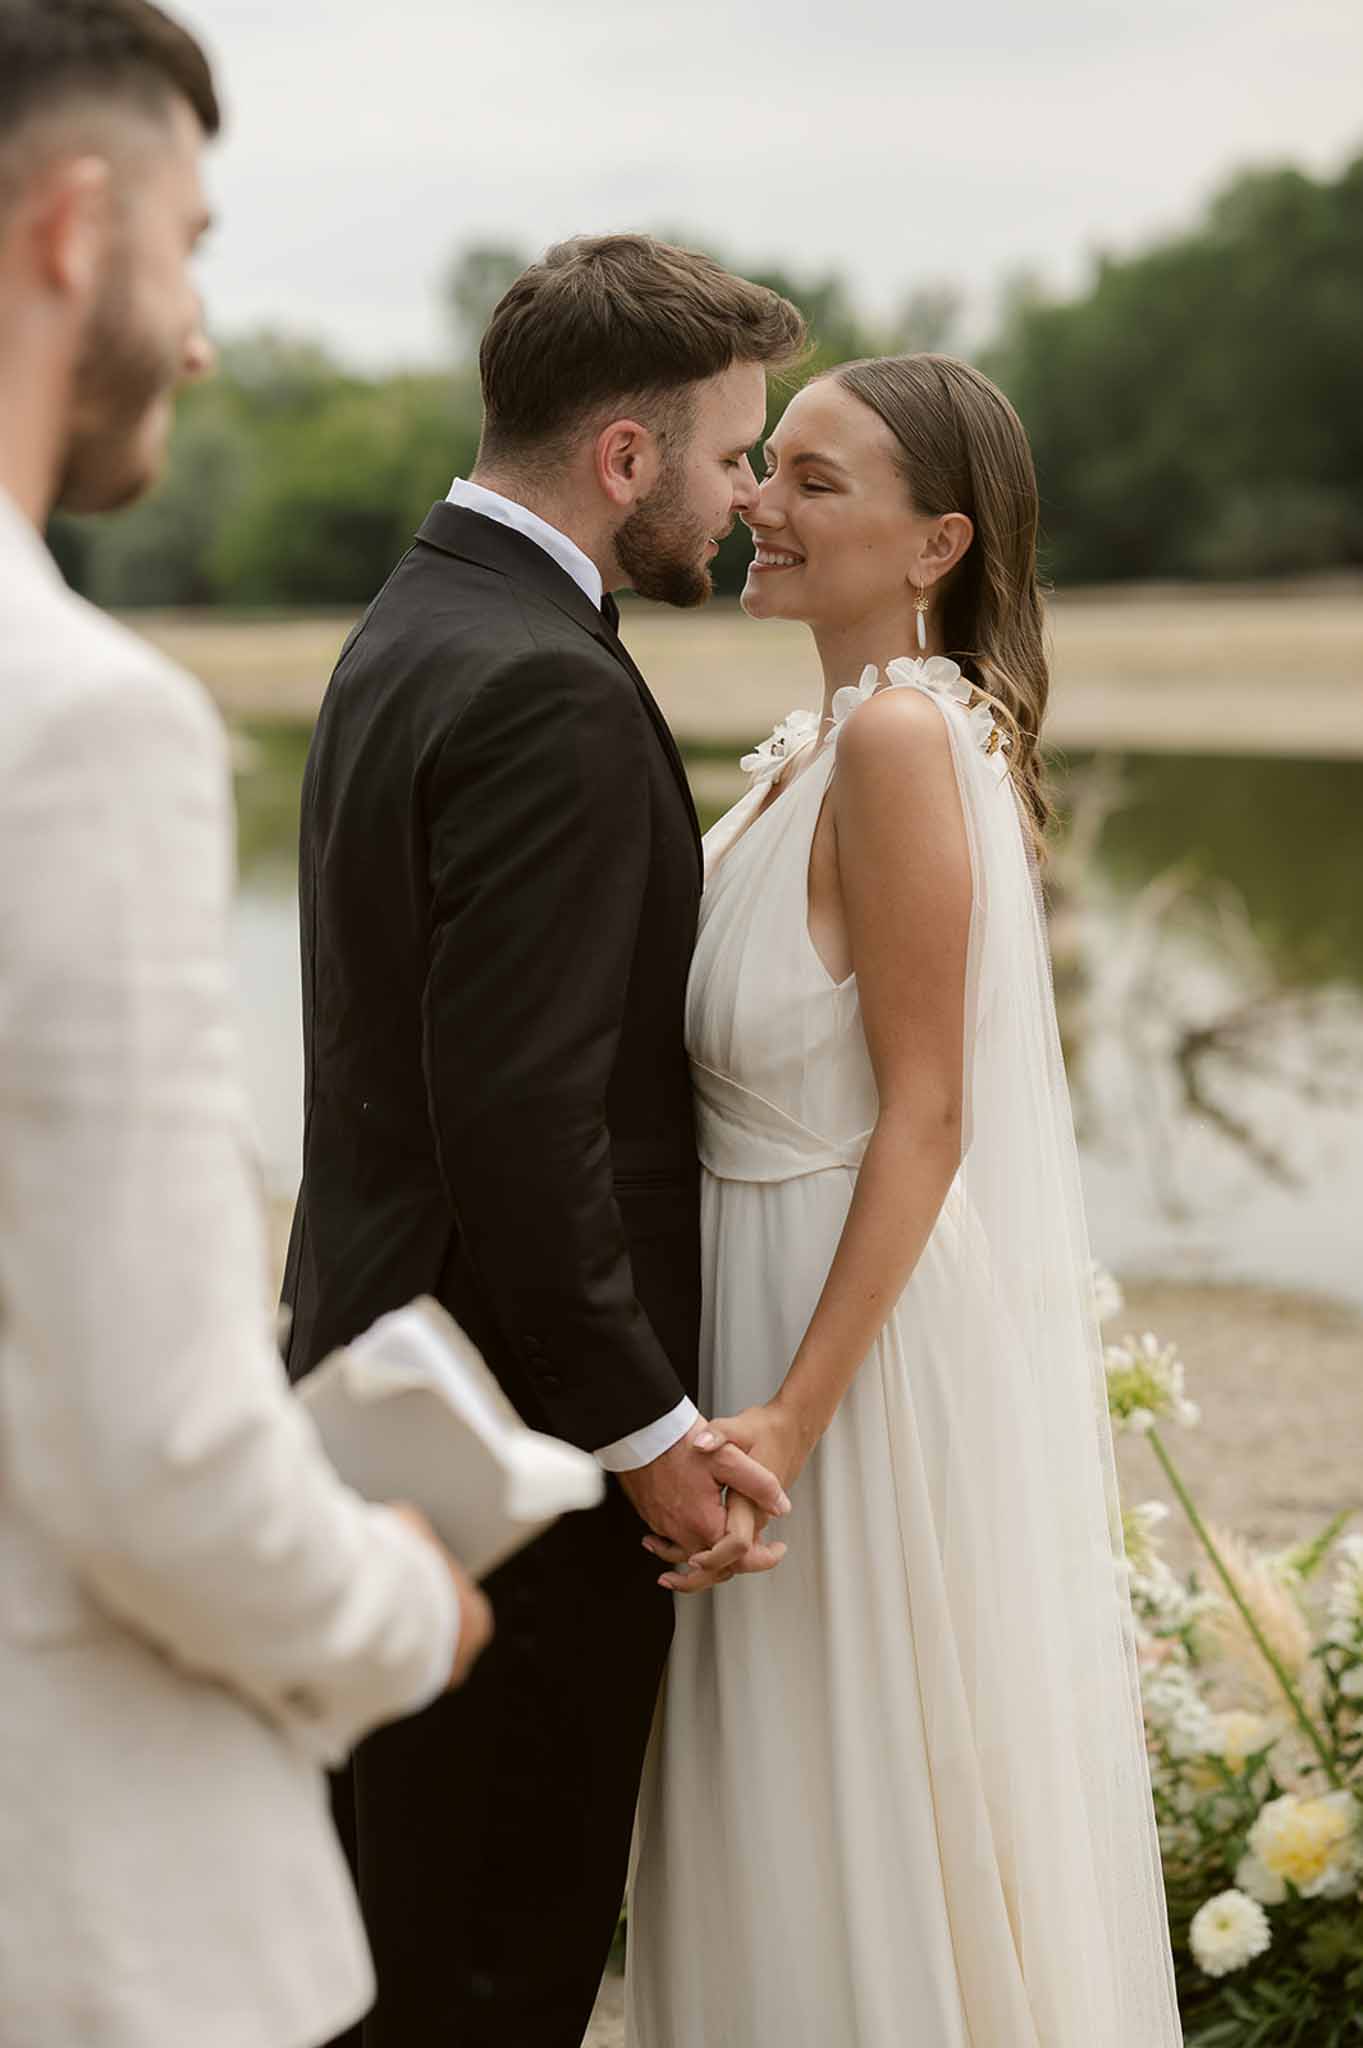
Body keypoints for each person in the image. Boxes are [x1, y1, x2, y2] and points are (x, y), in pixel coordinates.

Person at [0, 6, 491, 2046]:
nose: (198, 332)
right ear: (75, 226)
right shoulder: (80, 724)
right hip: (80, 1899)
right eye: (191, 245)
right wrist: (397, 1607)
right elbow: (161, 1452)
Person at [281, 234, 804, 2046]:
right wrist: (645, 1427)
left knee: (397, 1938)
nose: (747, 498)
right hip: (514, 1442)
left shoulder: (405, 630)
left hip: (386, 1379)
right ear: (628, 459)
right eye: (737, 456)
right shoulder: (546, 689)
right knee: (496, 1959)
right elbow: (515, 1118)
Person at [627, 356, 1184, 2045]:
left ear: (937, 540)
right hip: (768, 1304)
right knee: (801, 1830)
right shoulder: (827, 743)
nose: (755, 508)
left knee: (856, 1825)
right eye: (763, 470)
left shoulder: (891, 737)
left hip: (839, 1362)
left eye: (813, 484)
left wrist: (789, 1422)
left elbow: (926, 1119)